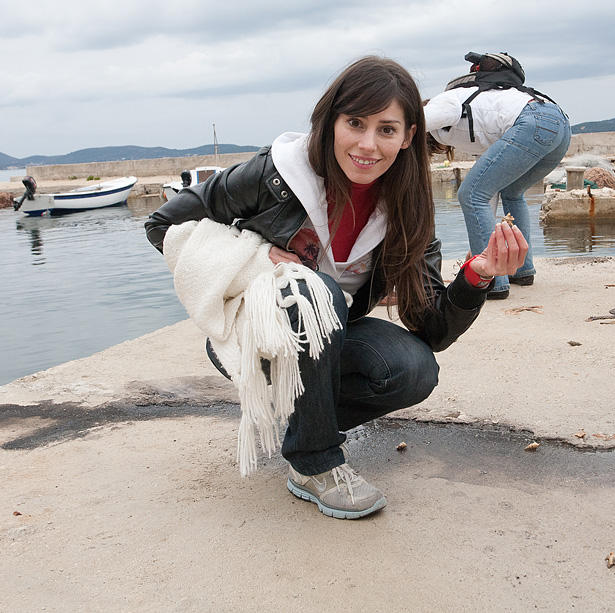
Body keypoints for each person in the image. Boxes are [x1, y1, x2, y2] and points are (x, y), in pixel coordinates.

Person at [145, 56, 528, 520]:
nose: (368, 144)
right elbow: (164, 224)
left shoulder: (407, 207)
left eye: (387, 129)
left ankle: (306, 422)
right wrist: (256, 258)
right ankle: (315, 461)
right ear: (330, 123)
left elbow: (431, 329)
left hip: (331, 334)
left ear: (409, 136)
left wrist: (477, 274)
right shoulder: (275, 173)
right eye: (355, 123)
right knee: (316, 290)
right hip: (256, 336)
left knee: (413, 369)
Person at [425, 53, 570, 299]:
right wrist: (480, 248)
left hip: (532, 121)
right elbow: (487, 196)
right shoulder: (481, 116)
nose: (441, 149)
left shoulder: (443, 102)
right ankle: (521, 270)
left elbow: (413, 122)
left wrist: (395, 133)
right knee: (512, 192)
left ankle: (492, 281)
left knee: (469, 194)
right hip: (559, 124)